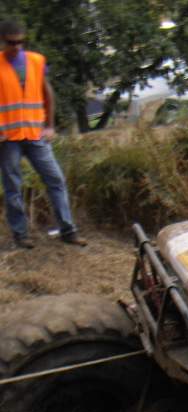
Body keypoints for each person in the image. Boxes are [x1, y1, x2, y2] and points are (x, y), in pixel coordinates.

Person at [0, 20, 86, 249]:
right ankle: (21, 235)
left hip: (35, 133)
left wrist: (50, 125)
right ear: (3, 42)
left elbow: (47, 92)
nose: (17, 46)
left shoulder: (36, 61)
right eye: (11, 43)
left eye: (20, 42)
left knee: (56, 180)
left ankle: (68, 231)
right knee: (13, 188)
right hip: (8, 138)